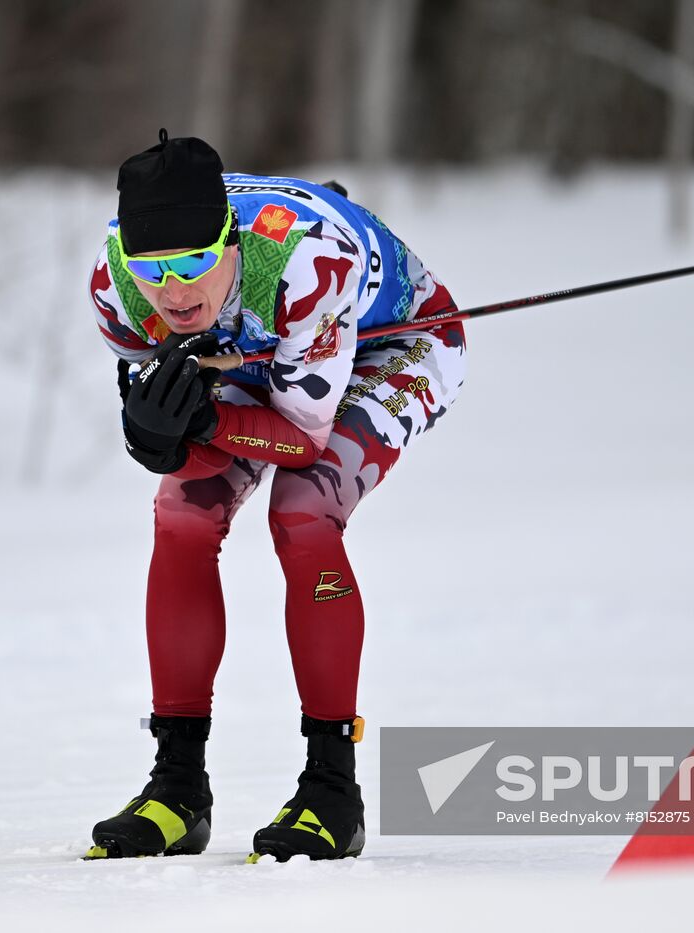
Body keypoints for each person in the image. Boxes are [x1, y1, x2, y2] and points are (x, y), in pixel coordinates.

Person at [85, 129, 466, 862]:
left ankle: (332, 790)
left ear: (230, 241)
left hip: (390, 345)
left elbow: (303, 440)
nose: (176, 292)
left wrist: (203, 417)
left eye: (196, 262)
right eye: (154, 271)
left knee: (304, 510)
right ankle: (177, 787)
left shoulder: (305, 266)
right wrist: (154, 431)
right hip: (256, 356)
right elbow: (152, 397)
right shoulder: (117, 289)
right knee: (182, 513)